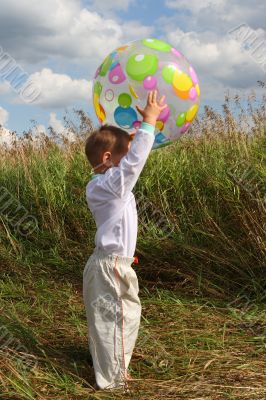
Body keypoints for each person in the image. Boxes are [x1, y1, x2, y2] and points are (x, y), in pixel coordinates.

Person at [83, 90, 167, 391]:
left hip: (115, 265)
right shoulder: (105, 186)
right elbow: (133, 164)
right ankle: (114, 381)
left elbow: (131, 159)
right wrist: (148, 124)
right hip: (110, 267)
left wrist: (135, 133)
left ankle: (111, 365)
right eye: (124, 152)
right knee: (116, 321)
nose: (130, 157)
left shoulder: (111, 185)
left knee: (121, 318)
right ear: (108, 159)